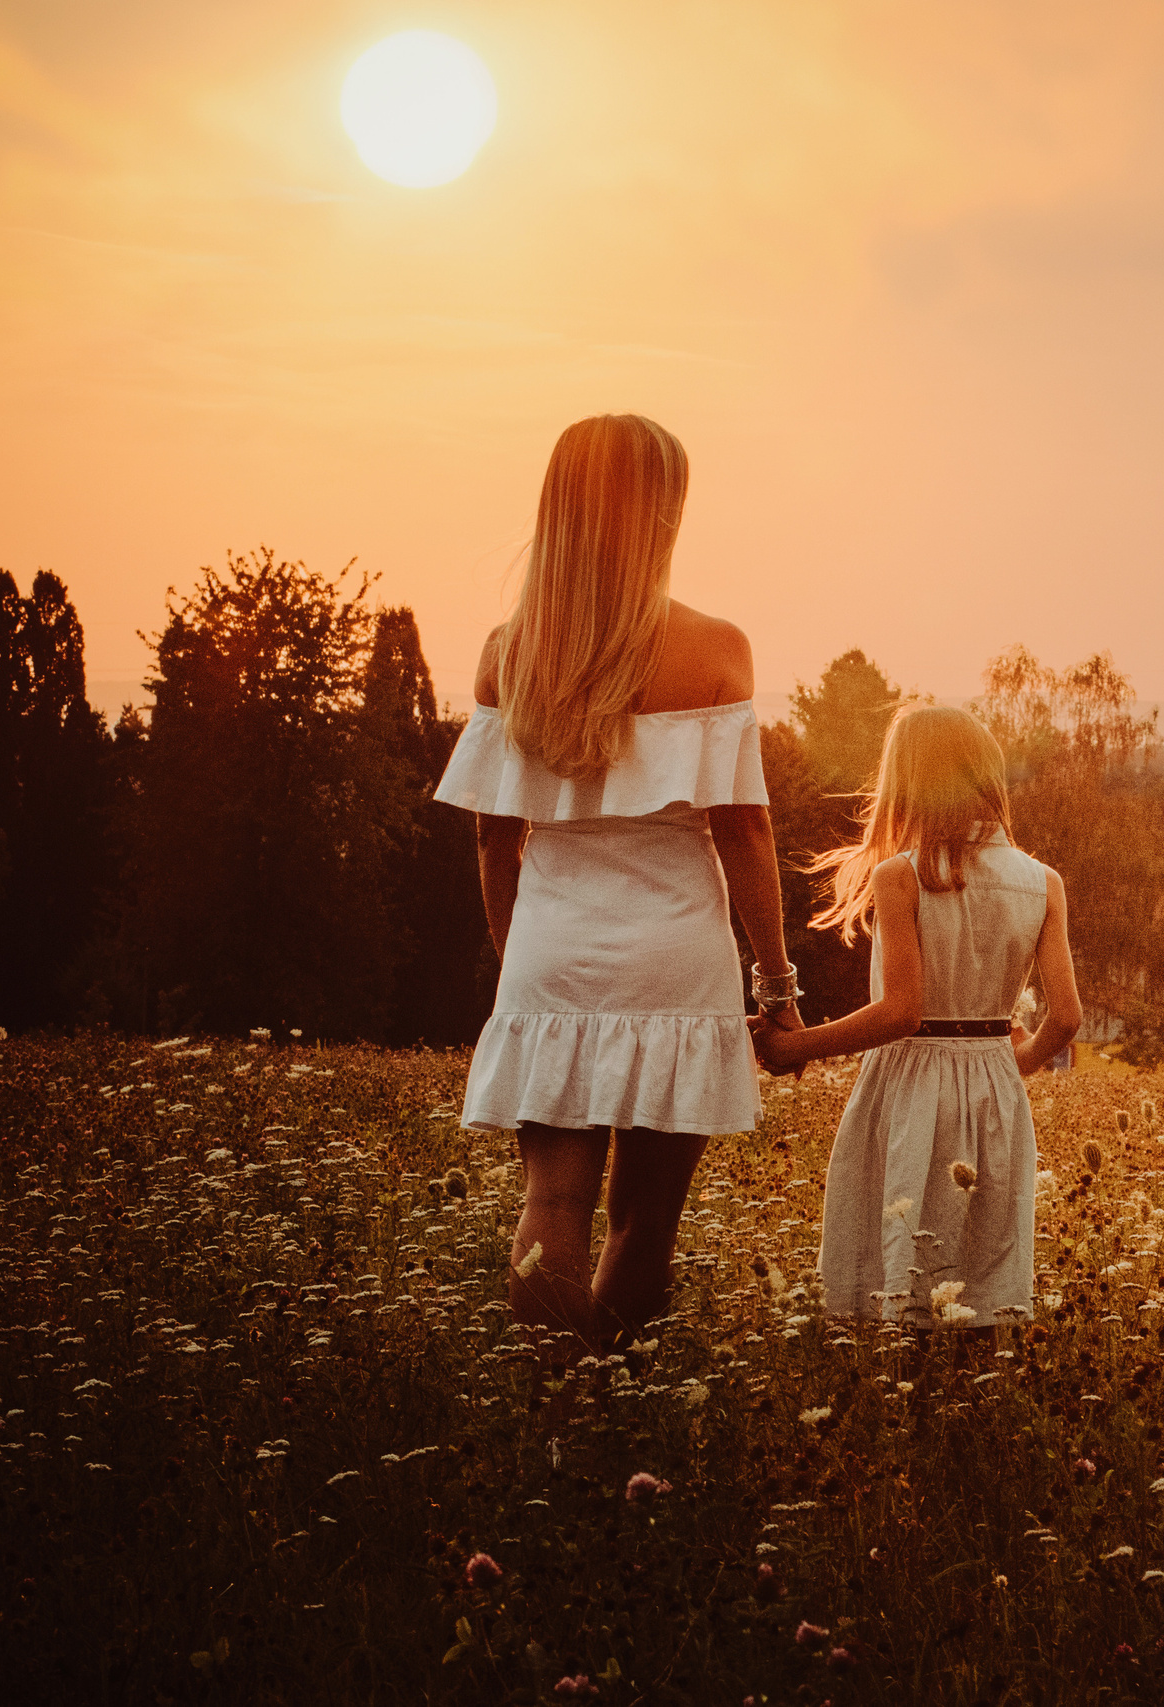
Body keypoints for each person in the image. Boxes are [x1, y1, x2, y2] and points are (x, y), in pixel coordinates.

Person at [433, 413, 803, 1383]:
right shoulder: (715, 649)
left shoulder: (506, 655)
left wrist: (520, 959)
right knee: (644, 1219)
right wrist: (775, 985)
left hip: (552, 956)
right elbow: (745, 831)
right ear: (664, 512)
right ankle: (610, 1412)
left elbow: (490, 836)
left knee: (549, 1208)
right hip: (673, 959)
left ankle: (555, 1410)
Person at [752, 704, 1081, 1328]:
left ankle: (900, 1404)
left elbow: (903, 1012)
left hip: (908, 1084)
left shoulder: (901, 876)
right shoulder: (1043, 882)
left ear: (906, 780)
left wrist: (796, 1048)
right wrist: (1014, 1065)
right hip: (993, 1086)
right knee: (981, 1271)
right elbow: (1065, 1018)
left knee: (897, 1264)